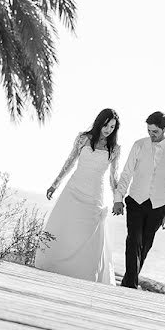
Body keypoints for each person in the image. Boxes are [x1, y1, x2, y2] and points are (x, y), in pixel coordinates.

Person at [35, 109, 121, 284]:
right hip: (73, 189)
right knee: (64, 226)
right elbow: (69, 162)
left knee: (88, 232)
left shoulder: (115, 149)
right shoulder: (83, 138)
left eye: (112, 127)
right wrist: (55, 184)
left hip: (95, 194)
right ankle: (54, 265)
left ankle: (85, 273)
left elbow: (113, 177)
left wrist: (118, 199)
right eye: (106, 125)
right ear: (99, 122)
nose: (108, 129)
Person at [112, 111, 165, 289]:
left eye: (155, 132)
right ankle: (131, 287)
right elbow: (127, 172)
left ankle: (128, 282)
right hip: (135, 201)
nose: (151, 135)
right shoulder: (139, 145)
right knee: (133, 241)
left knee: (144, 247)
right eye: (149, 131)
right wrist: (118, 198)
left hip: (158, 207)